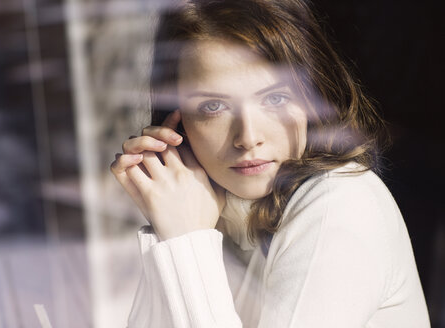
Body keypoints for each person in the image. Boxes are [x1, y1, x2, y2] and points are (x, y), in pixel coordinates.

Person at [110, 0, 431, 326]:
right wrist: (173, 222)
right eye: (213, 106)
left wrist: (184, 241)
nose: (248, 137)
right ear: (177, 124)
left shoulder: (339, 205)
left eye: (275, 98)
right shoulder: (213, 212)